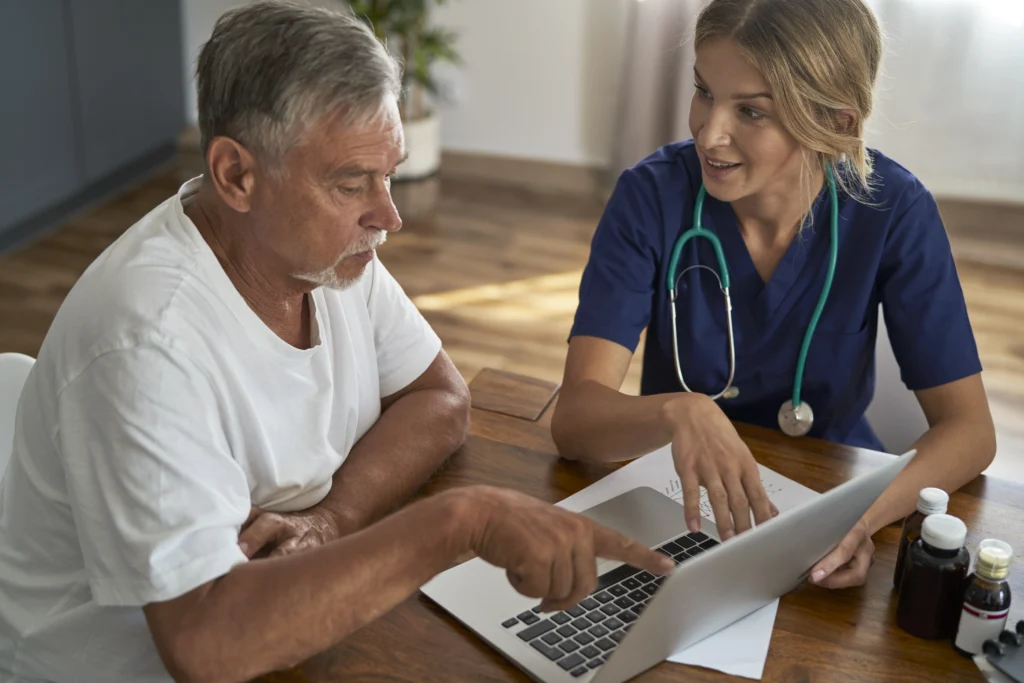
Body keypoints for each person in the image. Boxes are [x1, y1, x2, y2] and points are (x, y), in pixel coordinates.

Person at [0, 3, 673, 682]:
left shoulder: (323, 255)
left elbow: (440, 396)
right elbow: (206, 644)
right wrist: (461, 520)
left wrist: (331, 519)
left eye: (388, 173)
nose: (390, 215)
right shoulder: (144, 341)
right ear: (236, 174)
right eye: (352, 183)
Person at [552, 0, 996, 590]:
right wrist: (678, 410)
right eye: (704, 91)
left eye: (751, 111)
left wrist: (852, 520)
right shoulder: (650, 197)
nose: (709, 132)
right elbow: (576, 420)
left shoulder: (894, 209)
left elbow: (970, 430)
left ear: (836, 121)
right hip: (675, 494)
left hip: (825, 498)